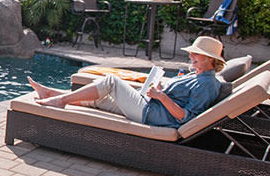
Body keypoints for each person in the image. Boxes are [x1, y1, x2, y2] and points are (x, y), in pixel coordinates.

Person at [28, 36, 225, 128]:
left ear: (210, 59)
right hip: (150, 105)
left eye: (195, 54)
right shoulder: (197, 74)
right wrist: (159, 88)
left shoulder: (207, 84)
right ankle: (51, 94)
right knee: (98, 98)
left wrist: (161, 96)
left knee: (111, 82)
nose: (190, 55)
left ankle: (59, 101)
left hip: (153, 114)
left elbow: (186, 117)